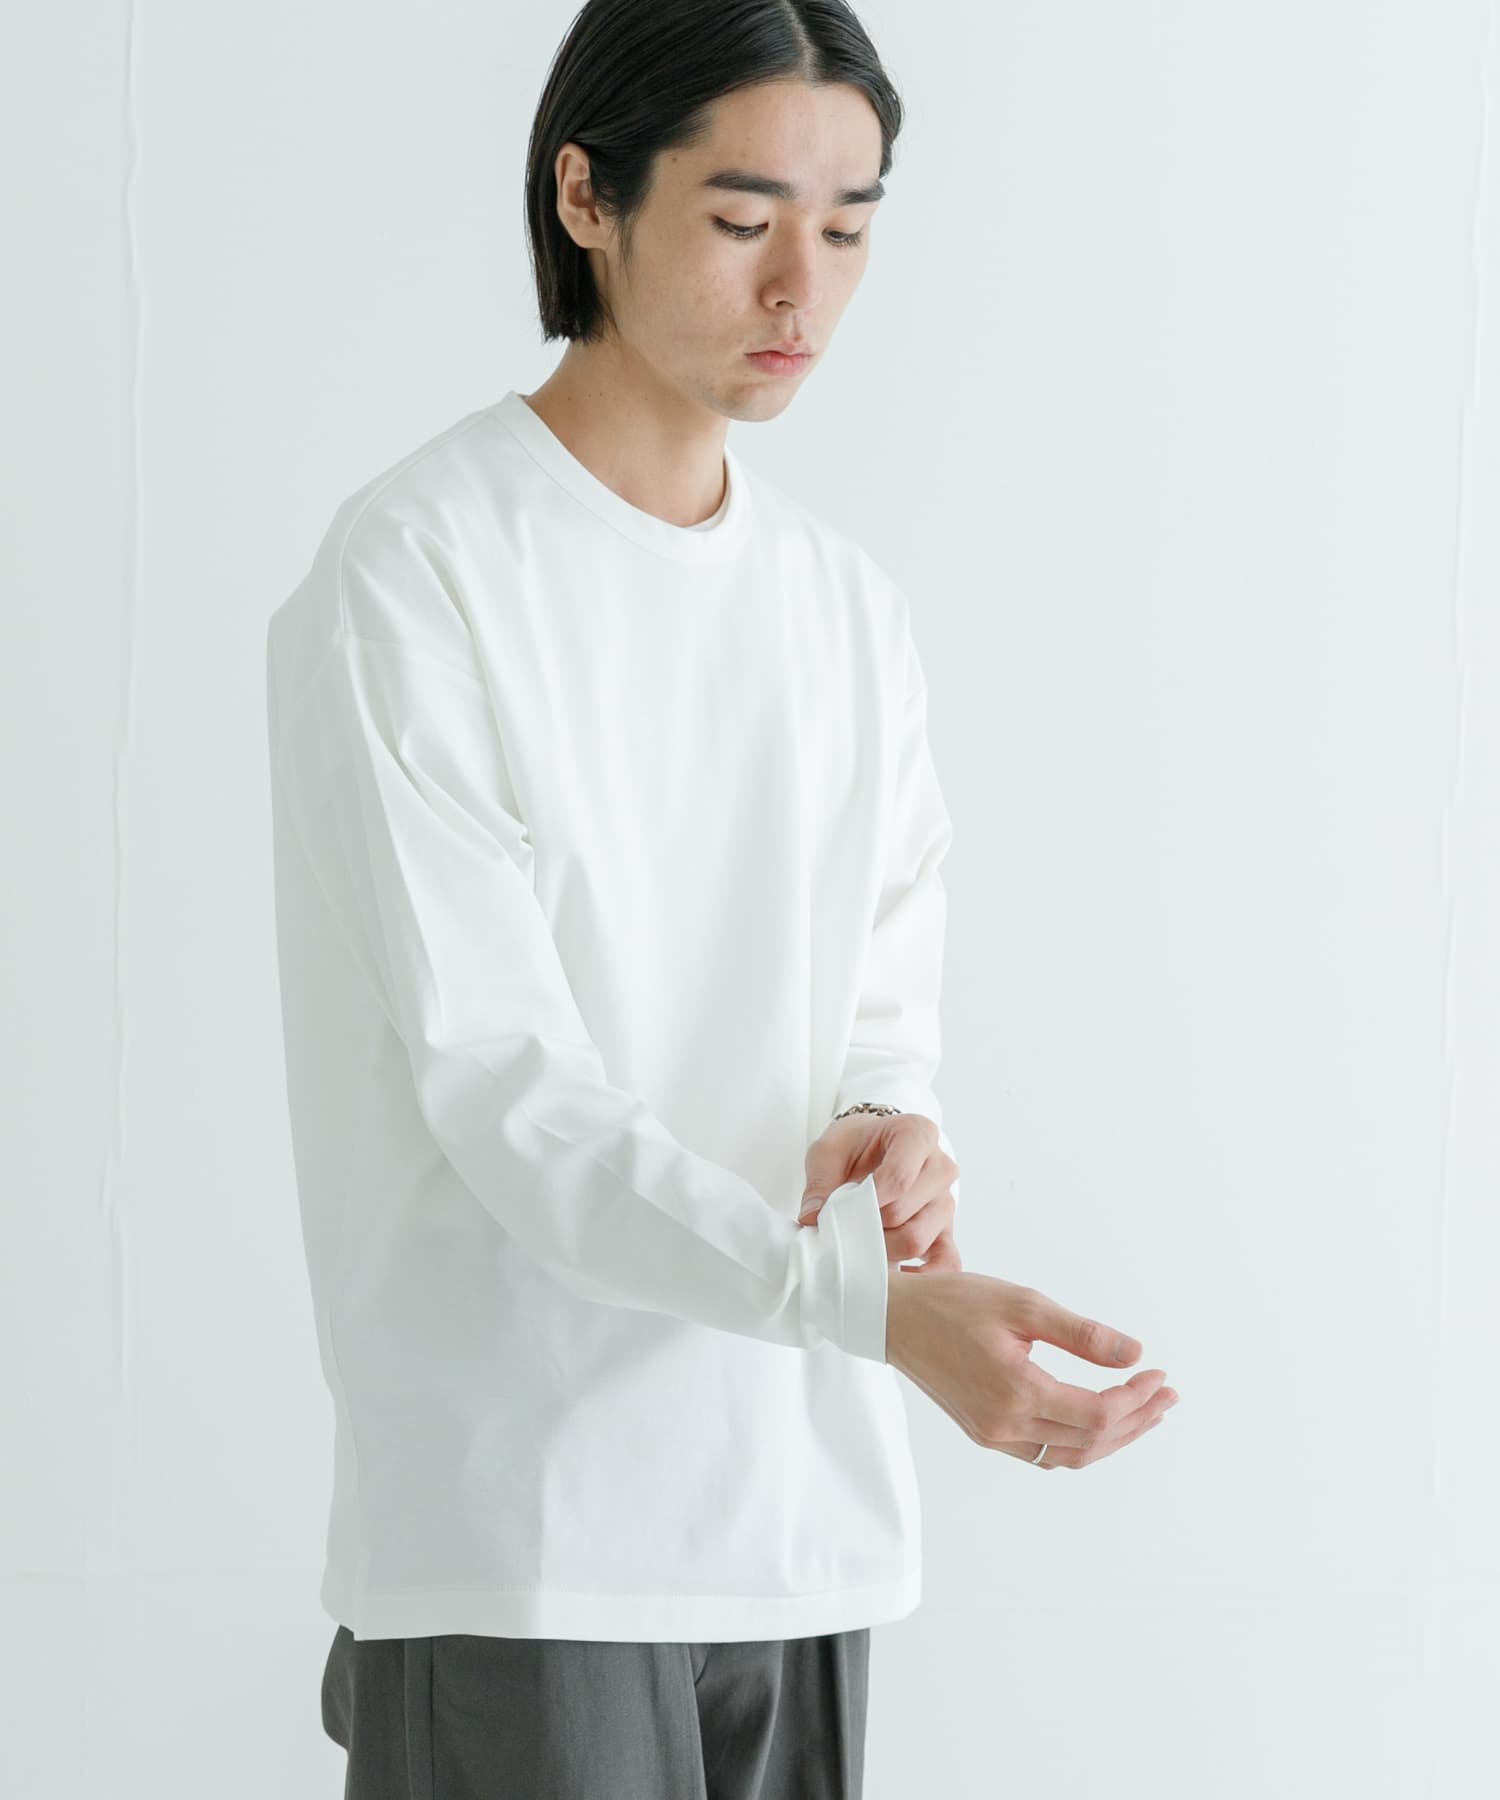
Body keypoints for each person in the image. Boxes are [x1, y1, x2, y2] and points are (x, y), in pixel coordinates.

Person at [264, 1, 1180, 1793]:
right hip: (524, 1532)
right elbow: (503, 1088)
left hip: (800, 1513)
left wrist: (884, 1121)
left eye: (847, 229)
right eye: (745, 218)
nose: (800, 291)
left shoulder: (842, 607)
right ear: (586, 197)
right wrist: (874, 1315)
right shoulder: (419, 573)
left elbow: (880, 987)